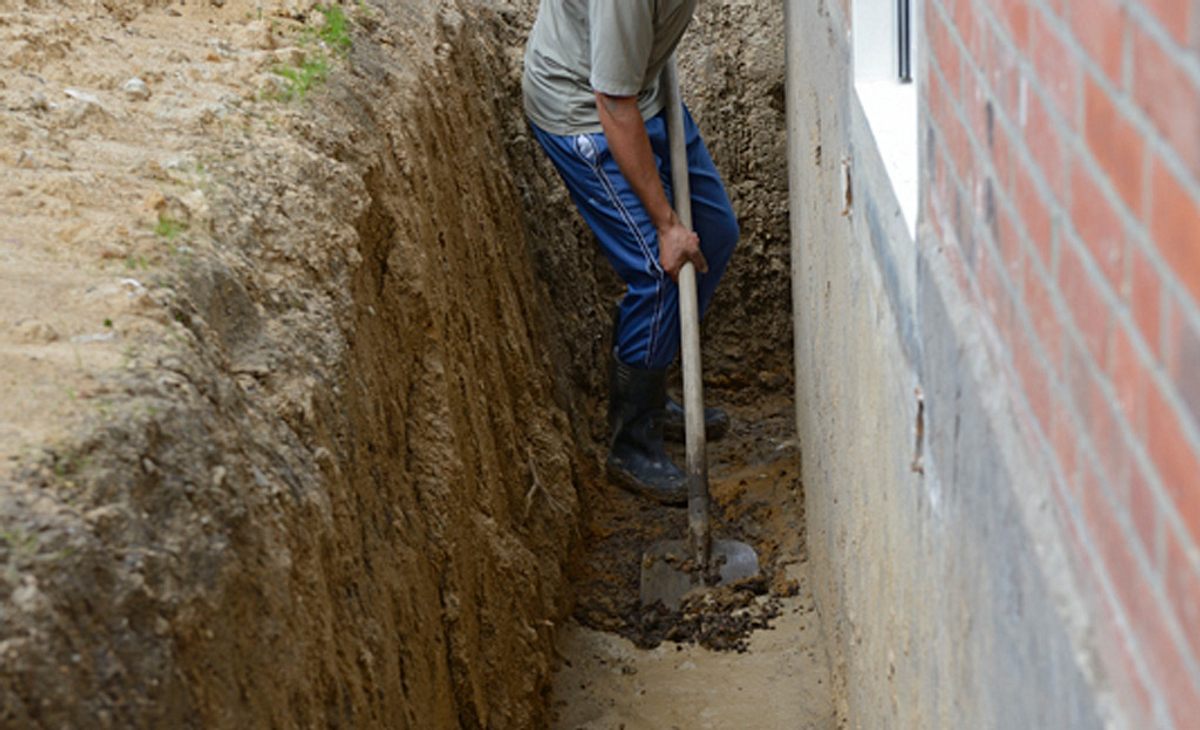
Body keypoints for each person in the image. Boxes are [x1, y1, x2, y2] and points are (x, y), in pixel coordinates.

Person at [523, 0, 739, 505]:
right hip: (588, 110)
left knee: (714, 231)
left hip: (638, 87)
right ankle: (632, 443)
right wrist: (665, 224)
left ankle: (655, 384)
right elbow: (612, 101)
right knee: (661, 270)